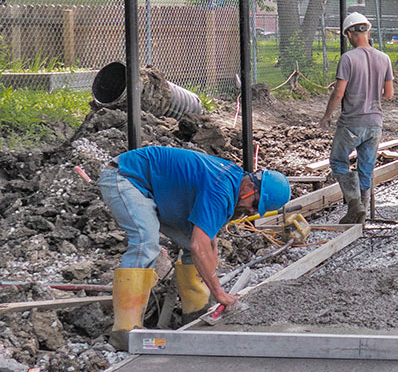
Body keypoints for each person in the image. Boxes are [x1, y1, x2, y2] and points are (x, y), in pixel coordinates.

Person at [97, 146, 291, 349]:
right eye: (255, 204)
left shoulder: (233, 184)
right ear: (250, 187)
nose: (250, 210)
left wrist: (211, 264)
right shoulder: (221, 189)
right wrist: (219, 292)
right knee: (145, 242)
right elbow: (199, 246)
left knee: (194, 245)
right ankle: (125, 333)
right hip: (126, 177)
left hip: (155, 188)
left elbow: (207, 240)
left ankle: (195, 316)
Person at [321, 11, 394, 223]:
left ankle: (354, 204)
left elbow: (339, 93)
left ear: (350, 34)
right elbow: (388, 94)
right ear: (367, 31)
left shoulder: (348, 59)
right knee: (366, 168)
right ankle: (361, 214)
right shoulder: (384, 58)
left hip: (351, 123)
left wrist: (326, 116)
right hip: (375, 124)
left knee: (337, 161)